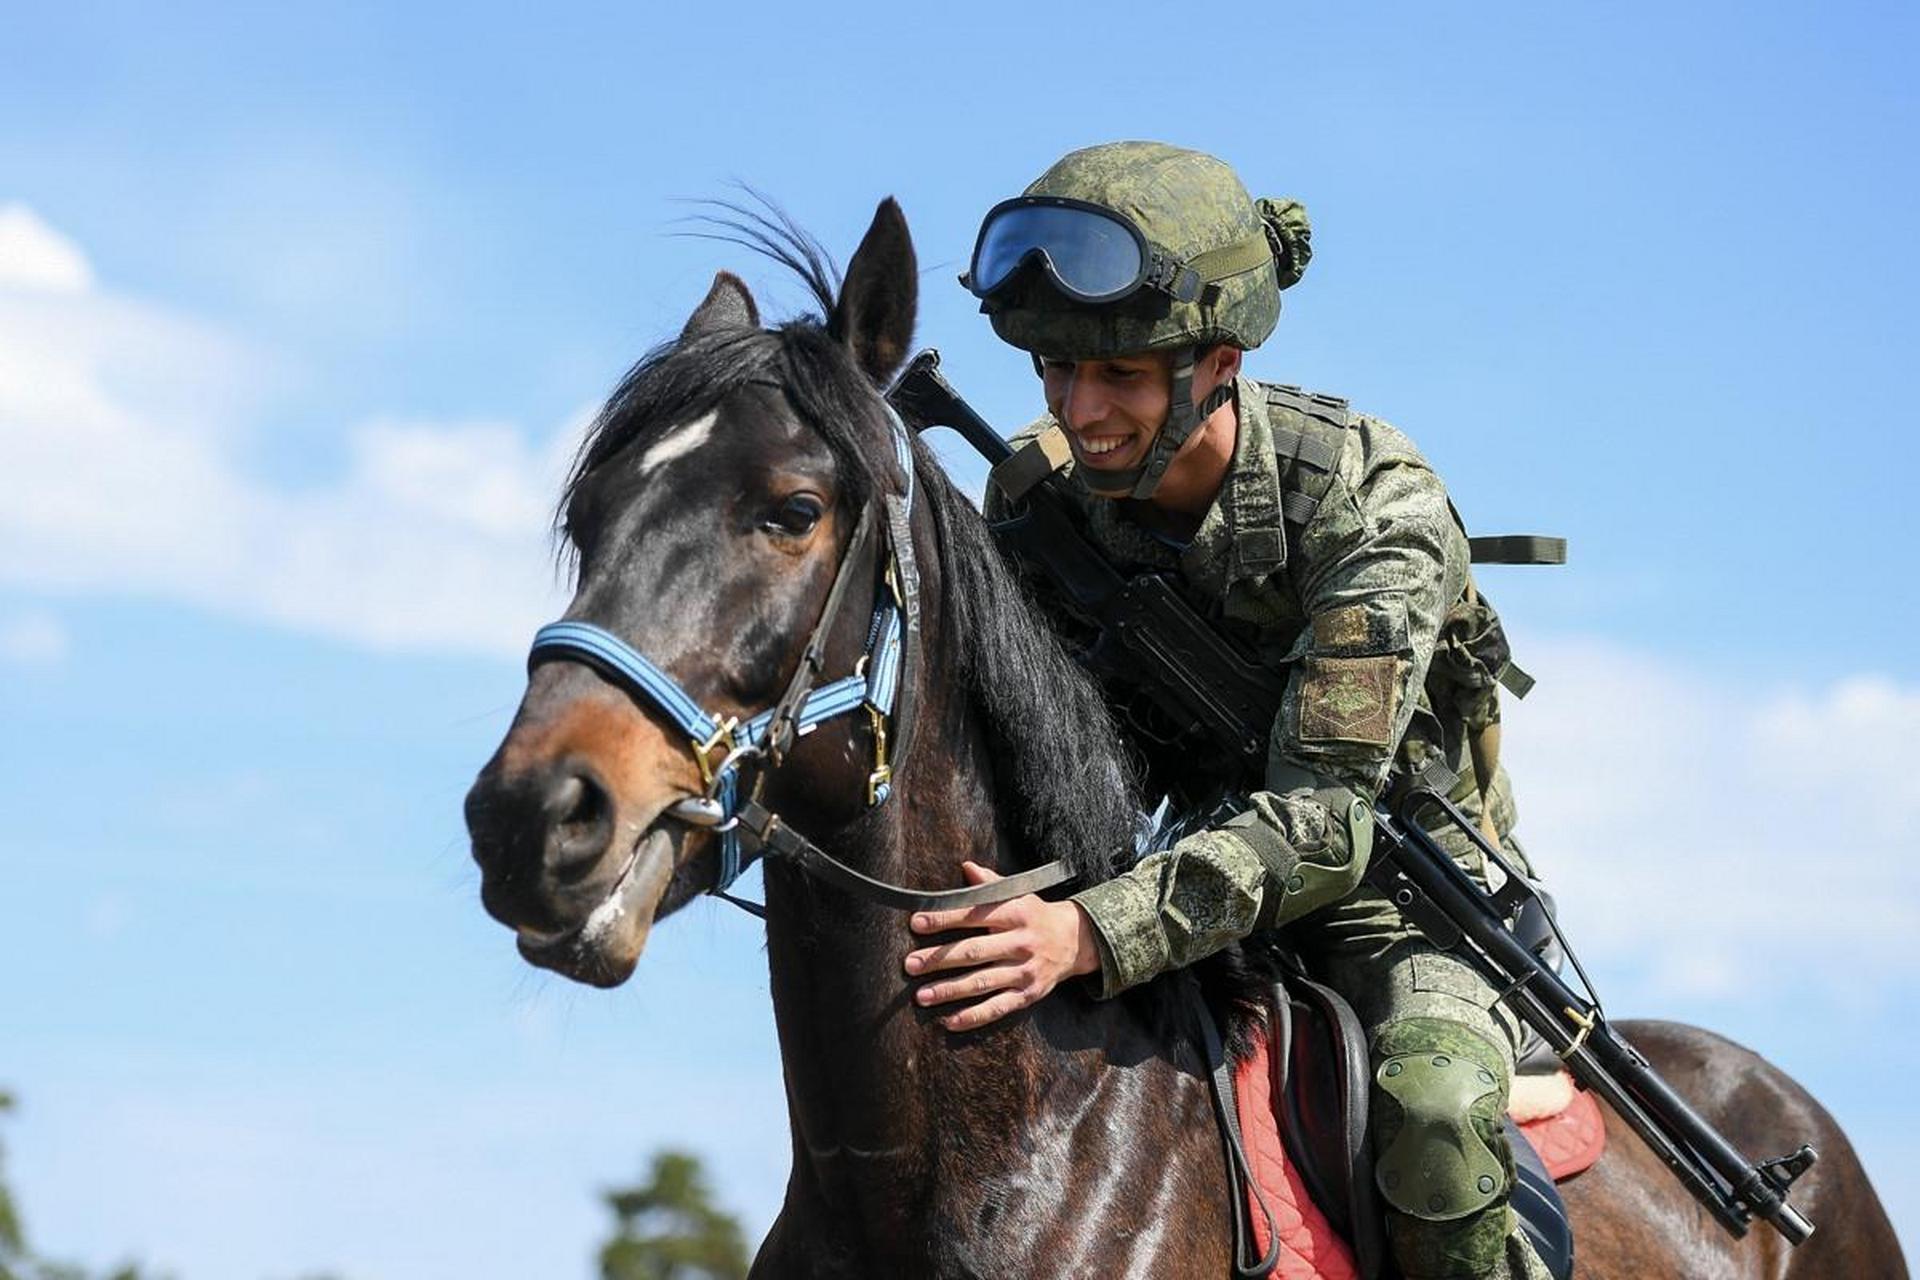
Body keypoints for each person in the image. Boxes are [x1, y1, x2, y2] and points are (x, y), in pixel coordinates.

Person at [901, 140, 1552, 1280]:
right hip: (1176, 862)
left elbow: (1327, 821)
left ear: (1218, 363)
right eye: (1056, 369)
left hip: (1399, 896)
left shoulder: (1370, 506)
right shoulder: (1045, 503)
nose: (1079, 408)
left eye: (1122, 379)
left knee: (1438, 1111)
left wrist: (1088, 932)